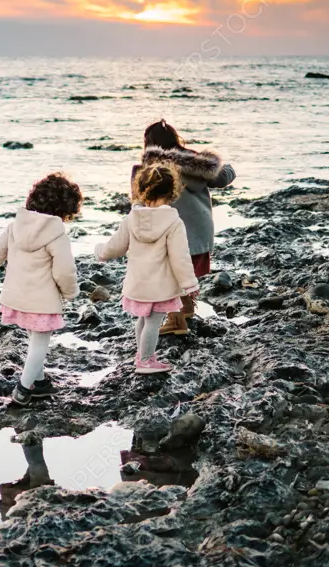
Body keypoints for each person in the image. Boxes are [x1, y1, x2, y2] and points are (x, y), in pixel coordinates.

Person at [0, 172, 81, 405]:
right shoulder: (56, 233)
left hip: (17, 297)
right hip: (42, 301)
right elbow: (64, 270)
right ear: (64, 208)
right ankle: (23, 389)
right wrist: (70, 292)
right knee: (40, 344)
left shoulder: (15, 226)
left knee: (33, 340)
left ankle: (39, 383)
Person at [132, 120, 236, 335]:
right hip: (199, 229)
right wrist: (226, 166)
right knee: (185, 271)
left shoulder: (149, 168)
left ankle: (176, 321)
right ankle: (187, 307)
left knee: (169, 275)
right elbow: (224, 177)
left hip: (169, 229)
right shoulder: (196, 163)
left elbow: (139, 200)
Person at [95, 162, 199, 375]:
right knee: (153, 322)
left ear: (142, 190)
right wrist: (190, 284)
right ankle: (145, 361)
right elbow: (180, 257)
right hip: (160, 286)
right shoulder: (173, 222)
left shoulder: (132, 218)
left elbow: (116, 246)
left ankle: (143, 355)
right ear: (173, 192)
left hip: (138, 283)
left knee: (143, 319)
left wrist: (100, 251)